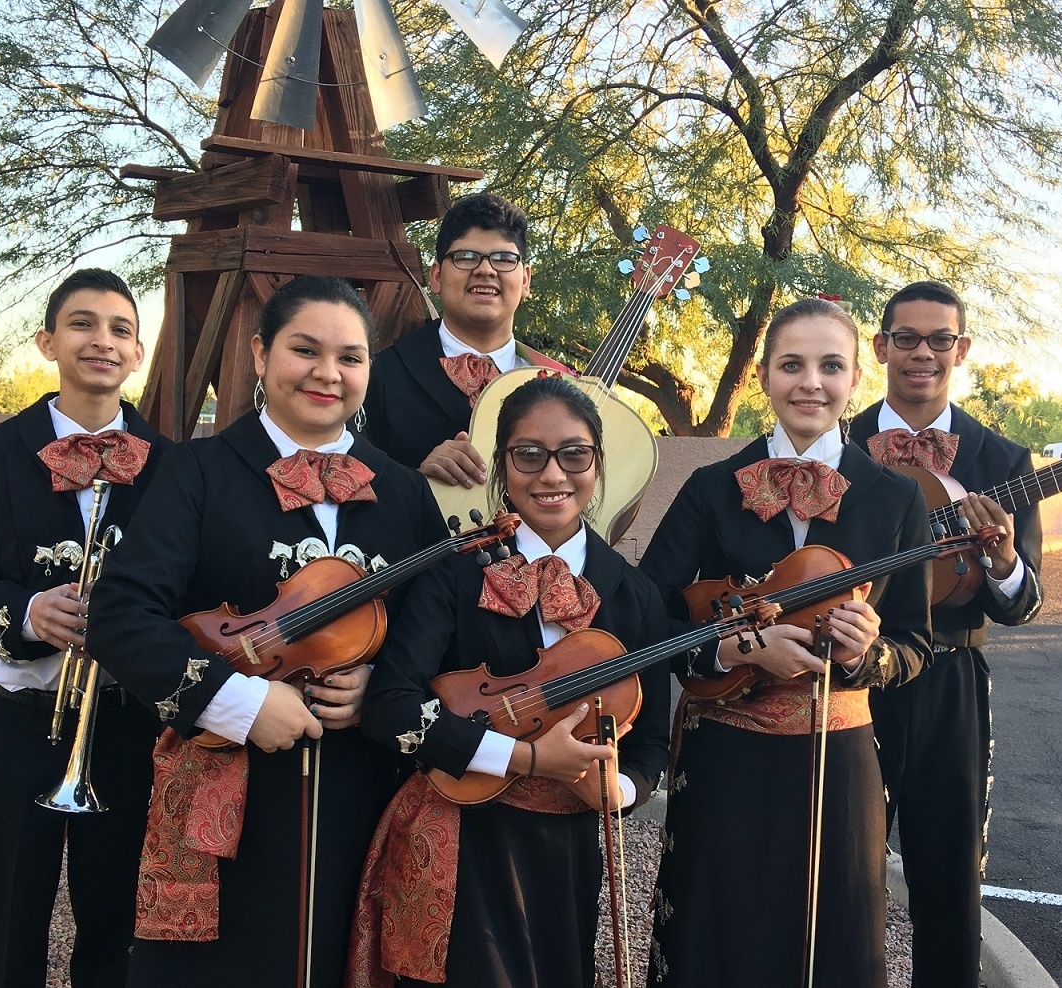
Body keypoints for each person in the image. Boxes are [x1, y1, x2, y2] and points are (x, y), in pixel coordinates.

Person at [84, 275, 447, 986]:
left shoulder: (404, 491)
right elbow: (121, 615)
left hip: (361, 786)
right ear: (259, 353)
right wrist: (239, 703)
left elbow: (435, 630)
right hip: (227, 783)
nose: (327, 373)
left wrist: (381, 685)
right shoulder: (198, 471)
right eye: (304, 350)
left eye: (350, 357)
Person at [348, 374, 685, 988]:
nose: (553, 475)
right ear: (501, 466)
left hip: (569, 849)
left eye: (573, 454)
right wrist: (523, 756)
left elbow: (653, 743)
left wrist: (624, 791)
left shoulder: (634, 595)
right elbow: (390, 706)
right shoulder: (451, 572)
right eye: (528, 455)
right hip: (461, 832)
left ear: (598, 463)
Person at [641, 297, 935, 988]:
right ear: (766, 377)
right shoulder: (710, 489)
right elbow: (648, 614)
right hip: (724, 757)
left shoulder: (898, 501)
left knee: (830, 936)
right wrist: (733, 650)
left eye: (831, 366)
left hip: (840, 761)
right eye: (792, 365)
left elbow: (917, 644)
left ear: (857, 377)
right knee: (718, 932)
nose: (811, 382)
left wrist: (869, 654)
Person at [0, 267, 170, 988]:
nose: (103, 340)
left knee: (117, 920)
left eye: (121, 328)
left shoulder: (176, 468)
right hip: (22, 725)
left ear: (138, 353)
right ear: (47, 341)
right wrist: (28, 613)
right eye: (84, 324)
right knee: (8, 921)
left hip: (128, 726)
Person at [847, 280, 1043, 988]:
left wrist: (1005, 562)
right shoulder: (832, 438)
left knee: (950, 878)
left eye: (939, 340)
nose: (922, 353)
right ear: (881, 347)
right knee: (840, 869)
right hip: (852, 674)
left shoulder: (1002, 459)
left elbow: (1023, 606)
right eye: (907, 338)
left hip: (950, 682)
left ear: (961, 350)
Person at [363, 191, 568, 489]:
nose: (485, 270)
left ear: (525, 281)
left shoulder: (559, 382)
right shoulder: (380, 375)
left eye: (503, 258)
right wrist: (418, 480)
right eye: (466, 257)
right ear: (435, 277)